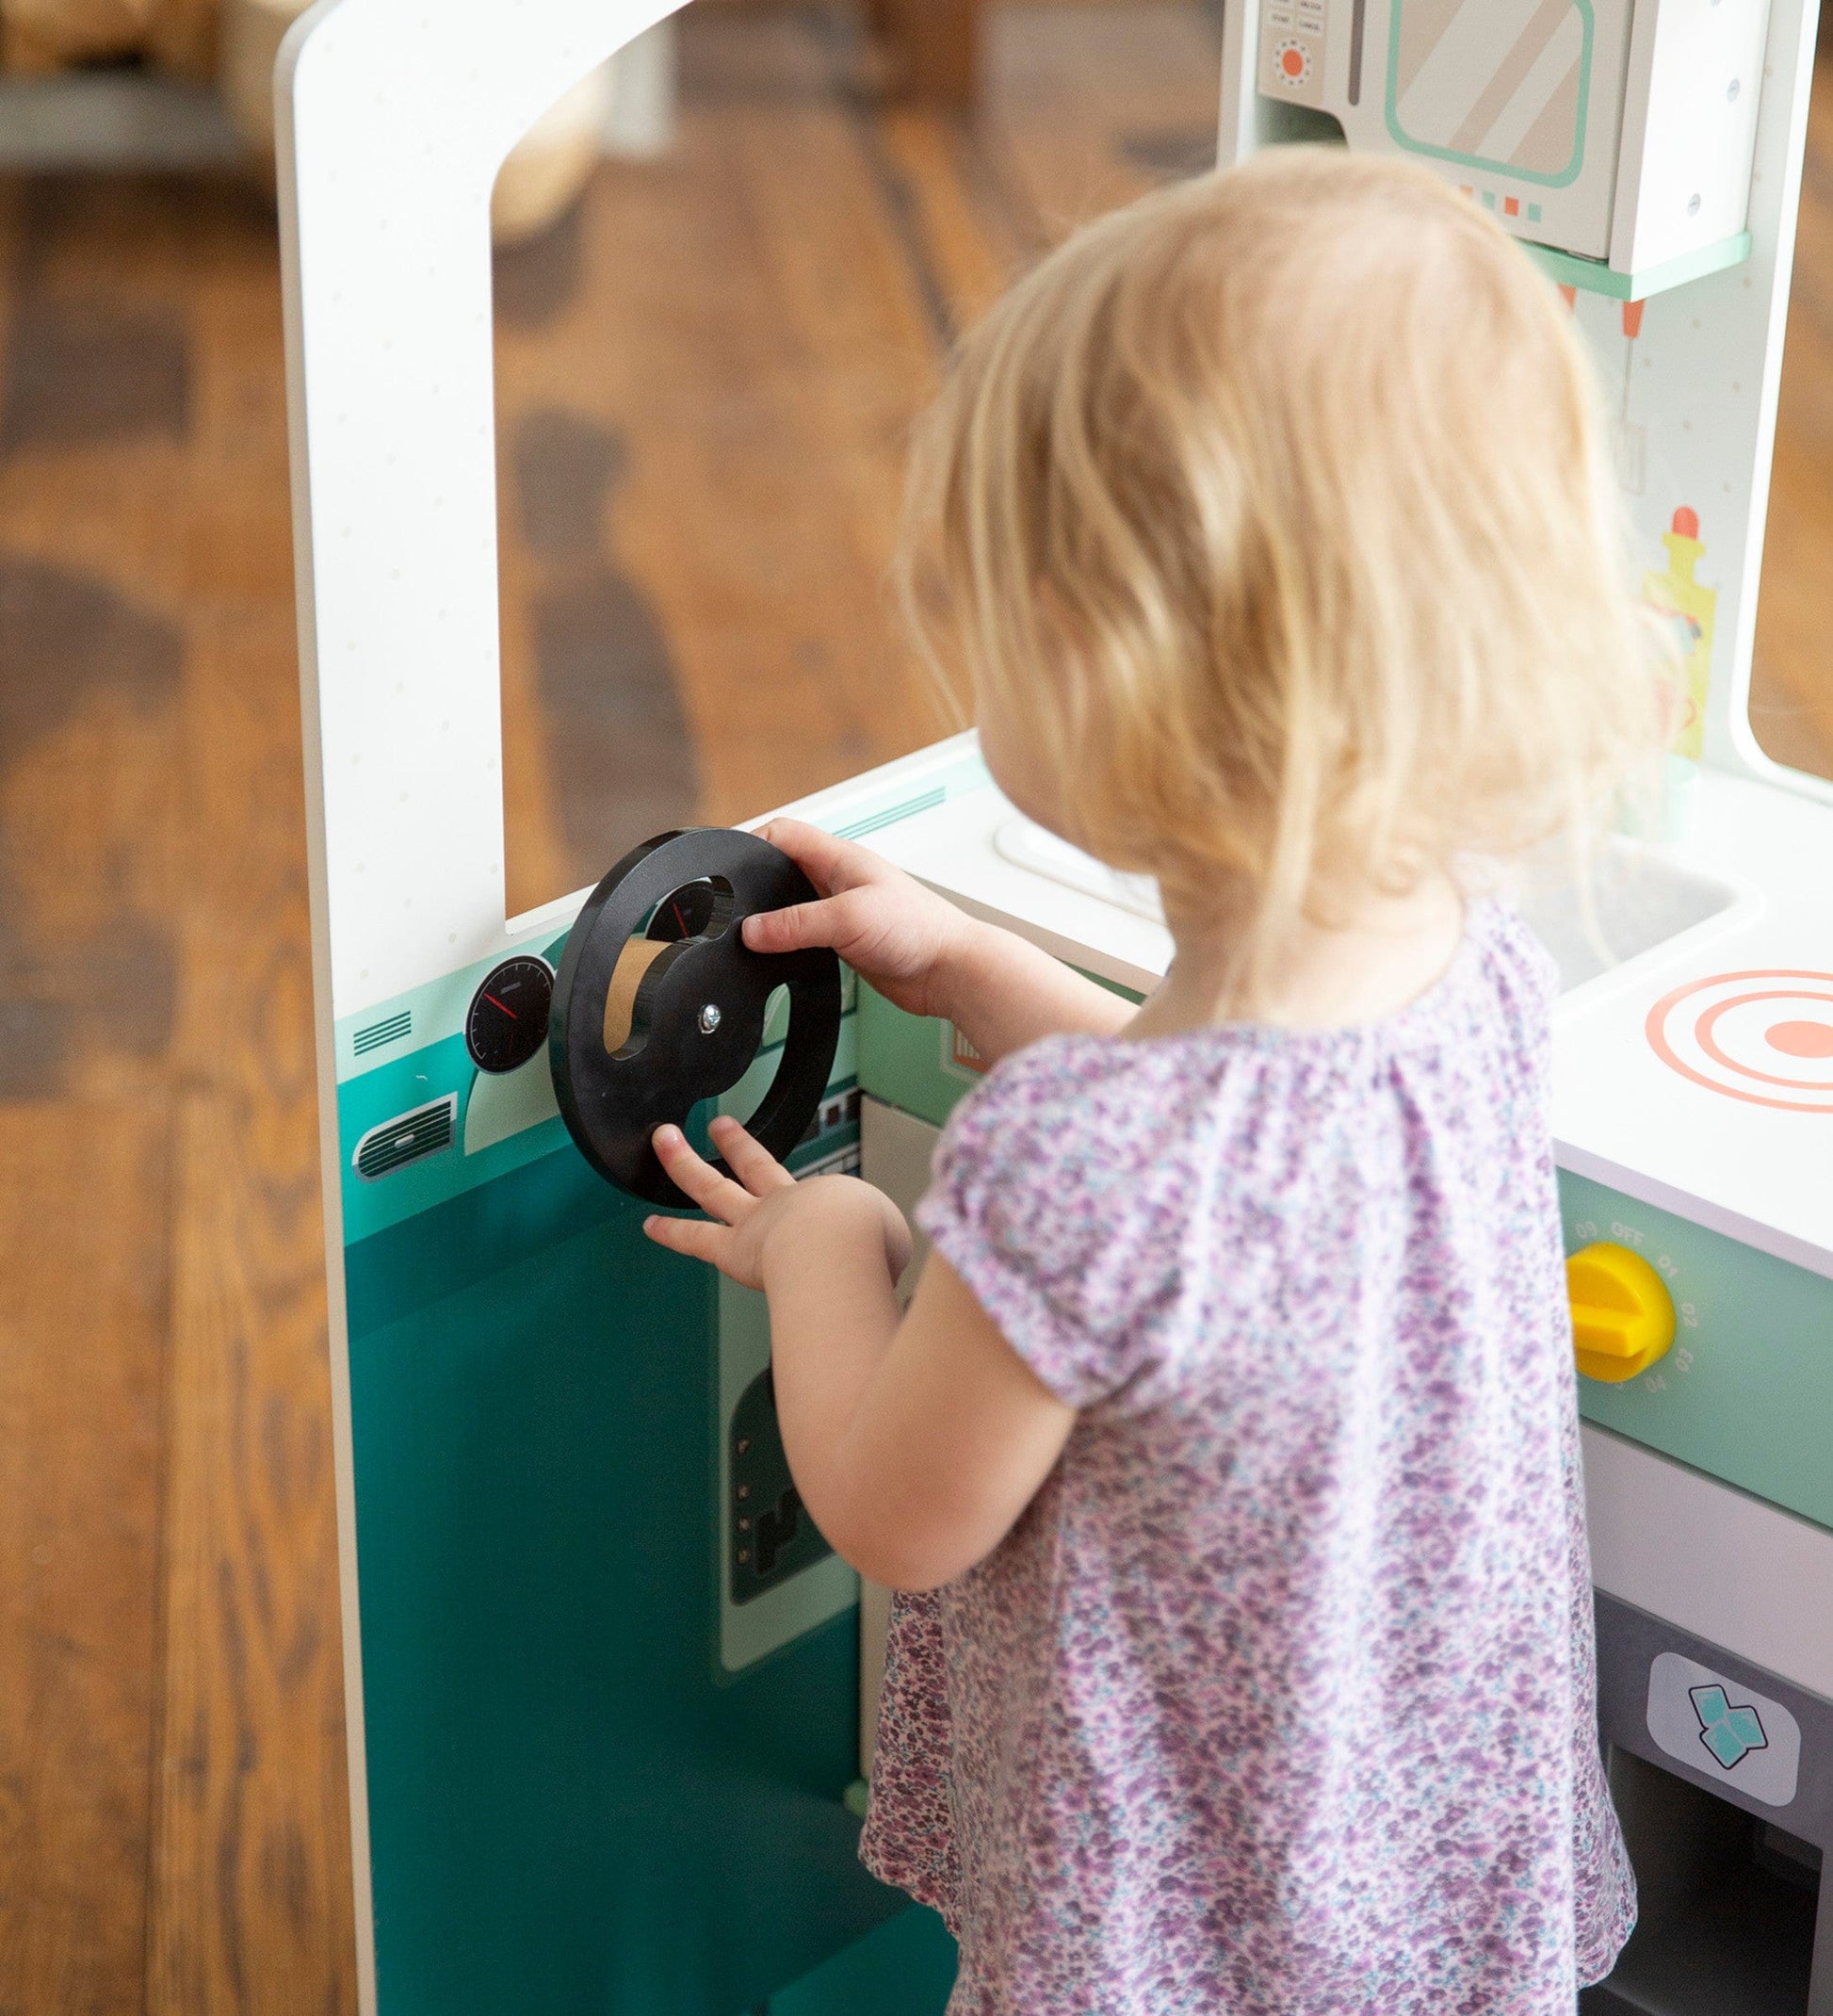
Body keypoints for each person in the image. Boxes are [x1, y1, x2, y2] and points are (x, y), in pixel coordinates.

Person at [643, 146, 1659, 2013]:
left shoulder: (1069, 1166)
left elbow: (894, 1503)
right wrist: (987, 975)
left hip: (1186, 1930)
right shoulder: (1473, 962)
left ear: (1110, 671)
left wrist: (830, 1239)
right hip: (1413, 1884)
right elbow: (1239, 1199)